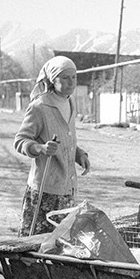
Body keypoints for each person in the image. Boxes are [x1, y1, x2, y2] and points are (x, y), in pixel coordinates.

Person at [14, 55, 91, 236]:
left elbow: (67, 140)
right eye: (65, 77)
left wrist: (80, 155)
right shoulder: (39, 107)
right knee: (35, 242)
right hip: (45, 191)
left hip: (67, 189)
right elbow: (20, 140)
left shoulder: (70, 102)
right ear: (53, 80)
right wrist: (40, 148)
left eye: (74, 77)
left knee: (60, 242)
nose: (71, 82)